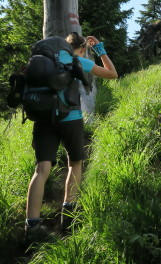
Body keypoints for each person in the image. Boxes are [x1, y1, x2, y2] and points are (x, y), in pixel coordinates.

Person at [24, 32, 117, 242]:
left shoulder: (44, 62)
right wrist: (100, 49)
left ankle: (32, 228)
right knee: (75, 163)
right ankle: (69, 216)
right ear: (82, 48)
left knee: (41, 169)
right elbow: (112, 74)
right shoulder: (79, 61)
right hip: (71, 118)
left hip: (43, 119)